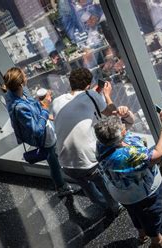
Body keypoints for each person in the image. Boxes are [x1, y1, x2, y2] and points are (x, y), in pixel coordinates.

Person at [51, 68, 131, 215]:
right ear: (89, 85)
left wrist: (93, 94)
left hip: (65, 162)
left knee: (86, 185)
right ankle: (115, 207)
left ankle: (100, 204)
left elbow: (74, 111)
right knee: (104, 185)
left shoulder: (57, 101)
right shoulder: (91, 95)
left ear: (71, 83)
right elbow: (112, 112)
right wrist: (106, 95)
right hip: (88, 162)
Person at [94, 112, 162, 247]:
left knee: (135, 213)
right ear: (122, 133)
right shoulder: (125, 156)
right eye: (122, 126)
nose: (124, 125)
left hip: (121, 192)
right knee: (152, 216)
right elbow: (158, 154)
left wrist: (126, 113)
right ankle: (158, 241)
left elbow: (128, 123)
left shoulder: (102, 143)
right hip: (143, 193)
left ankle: (141, 233)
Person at [2, 67, 78, 196]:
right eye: (24, 76)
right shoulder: (19, 107)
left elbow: (32, 111)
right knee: (54, 164)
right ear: (20, 83)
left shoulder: (17, 93)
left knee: (55, 160)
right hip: (44, 139)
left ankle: (63, 184)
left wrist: (42, 108)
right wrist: (44, 109)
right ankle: (61, 187)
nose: (26, 77)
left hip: (47, 133)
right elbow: (36, 131)